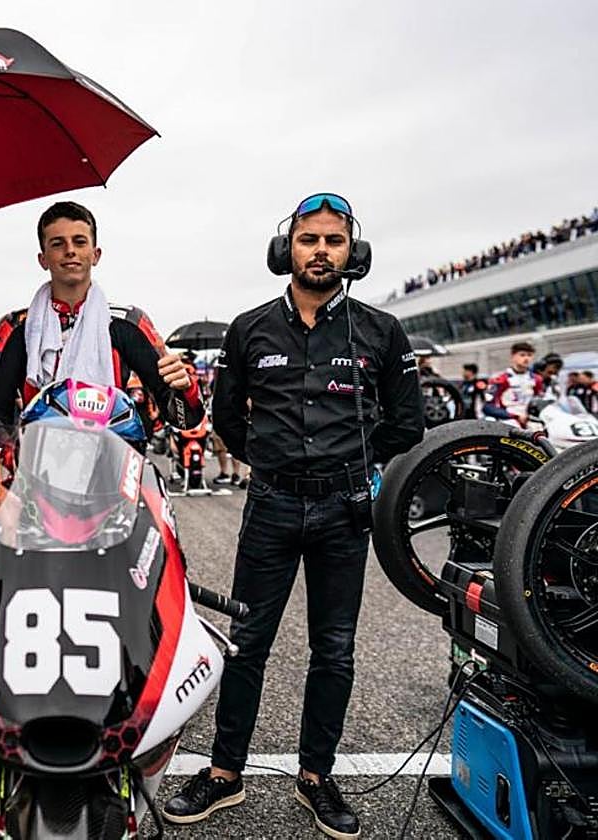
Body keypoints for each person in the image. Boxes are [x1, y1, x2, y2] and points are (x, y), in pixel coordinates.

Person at [163, 193, 423, 838]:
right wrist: (271, 462)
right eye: (309, 240)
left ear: (352, 252)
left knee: (333, 649)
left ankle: (317, 777)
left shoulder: (382, 330)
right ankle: (224, 774)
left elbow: (407, 423)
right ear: (288, 250)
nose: (321, 252)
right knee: (247, 642)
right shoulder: (249, 329)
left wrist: (349, 470)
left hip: (345, 510)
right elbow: (225, 418)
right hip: (271, 505)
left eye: (334, 241)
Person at [0, 201, 203, 452]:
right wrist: (14, 455)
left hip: (114, 467)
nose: (70, 250)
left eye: (80, 241)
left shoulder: (129, 323)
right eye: (58, 243)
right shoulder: (15, 327)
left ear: (96, 255)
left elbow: (184, 419)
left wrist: (186, 389)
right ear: (43, 259)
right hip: (37, 469)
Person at [483, 341, 544, 425]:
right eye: (522, 355)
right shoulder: (499, 379)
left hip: (531, 418)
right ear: (513, 356)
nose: (526, 358)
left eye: (529, 355)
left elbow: (540, 401)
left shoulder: (537, 379)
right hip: (509, 419)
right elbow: (488, 407)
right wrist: (514, 416)